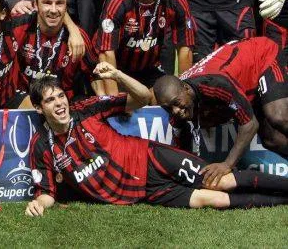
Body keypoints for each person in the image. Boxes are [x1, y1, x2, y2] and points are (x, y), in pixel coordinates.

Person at [25, 71, 288, 215]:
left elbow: (142, 97)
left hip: (150, 157)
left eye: (61, 96)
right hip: (143, 192)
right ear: (38, 108)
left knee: (222, 181)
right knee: (214, 200)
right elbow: (47, 192)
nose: (59, 104)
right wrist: (38, 204)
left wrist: (117, 75)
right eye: (50, 100)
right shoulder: (42, 146)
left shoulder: (86, 109)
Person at [153, 38, 288, 183]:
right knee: (272, 140)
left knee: (278, 116)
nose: (175, 111)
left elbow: (250, 125)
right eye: (168, 108)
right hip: (240, 78)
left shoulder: (213, 85)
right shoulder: (176, 101)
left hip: (261, 54)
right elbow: (181, 146)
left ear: (186, 89)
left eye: (176, 103)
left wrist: (227, 164)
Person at [96, 0, 195, 92]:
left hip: (149, 69)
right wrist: (114, 100)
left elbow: (186, 47)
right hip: (117, 71)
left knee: (170, 96)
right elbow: (106, 53)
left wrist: (185, 93)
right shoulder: (117, 2)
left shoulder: (176, 1)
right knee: (118, 101)